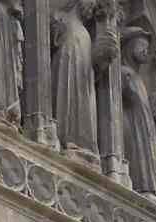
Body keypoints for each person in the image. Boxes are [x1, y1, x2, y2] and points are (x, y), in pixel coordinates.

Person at [51, 0, 98, 155]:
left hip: (83, 80)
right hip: (66, 68)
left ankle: (82, 143)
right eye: (90, 1)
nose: (92, 6)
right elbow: (51, 41)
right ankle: (65, 138)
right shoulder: (61, 17)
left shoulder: (86, 32)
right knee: (67, 99)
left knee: (83, 103)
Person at [119, 28, 156, 196]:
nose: (145, 50)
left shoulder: (138, 78)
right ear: (129, 47)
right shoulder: (124, 72)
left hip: (145, 126)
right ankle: (142, 186)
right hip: (133, 124)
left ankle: (150, 188)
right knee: (138, 154)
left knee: (147, 154)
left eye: (146, 47)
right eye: (141, 45)